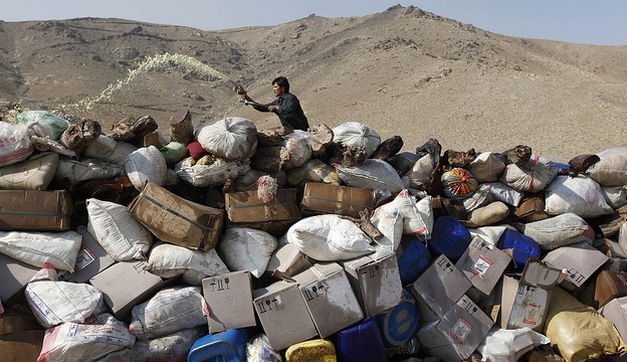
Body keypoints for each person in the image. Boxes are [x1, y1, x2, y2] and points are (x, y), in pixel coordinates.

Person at [237, 76, 310, 131]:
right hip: (290, 131)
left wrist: (276, 108)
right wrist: (246, 97)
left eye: (275, 87)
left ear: (283, 88)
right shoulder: (278, 101)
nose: (274, 89)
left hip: (301, 131)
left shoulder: (291, 98)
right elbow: (262, 107)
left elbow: (289, 110)